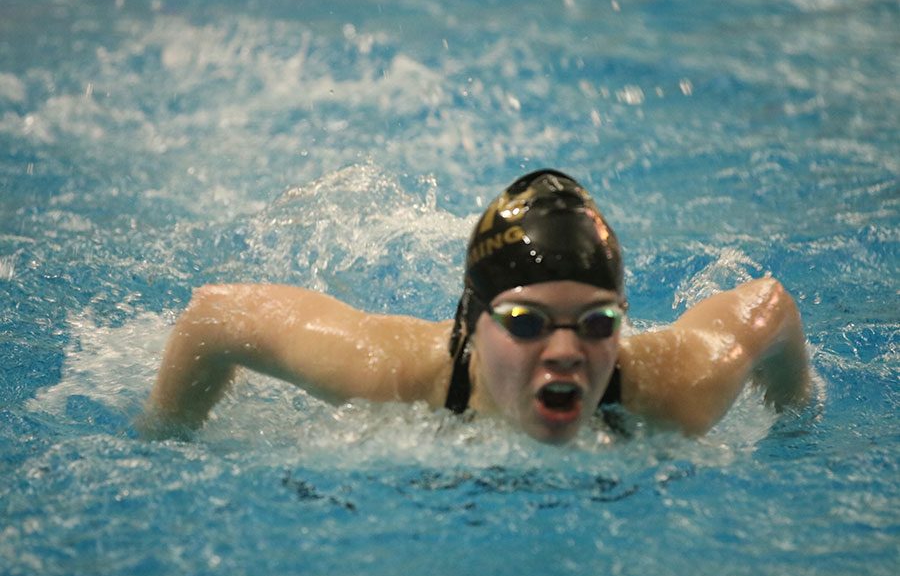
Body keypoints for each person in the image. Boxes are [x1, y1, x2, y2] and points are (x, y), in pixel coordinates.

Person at [143, 169, 811, 444]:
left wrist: (796, 420)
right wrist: (163, 442)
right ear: (472, 320)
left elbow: (771, 306)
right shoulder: (392, 374)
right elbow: (216, 314)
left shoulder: (678, 387)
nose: (566, 350)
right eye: (525, 323)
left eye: (598, 323)